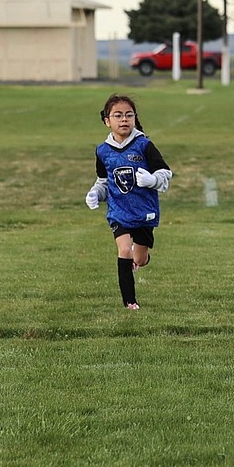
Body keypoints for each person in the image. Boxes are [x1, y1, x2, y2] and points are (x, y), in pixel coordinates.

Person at [85, 94, 172, 310]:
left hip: (144, 211)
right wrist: (96, 192)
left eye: (128, 115)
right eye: (118, 115)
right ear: (107, 121)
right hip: (119, 211)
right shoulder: (102, 151)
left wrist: (152, 180)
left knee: (139, 259)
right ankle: (130, 302)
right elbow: (104, 181)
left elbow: (165, 172)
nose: (124, 120)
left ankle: (140, 258)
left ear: (134, 118)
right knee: (124, 250)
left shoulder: (144, 145)